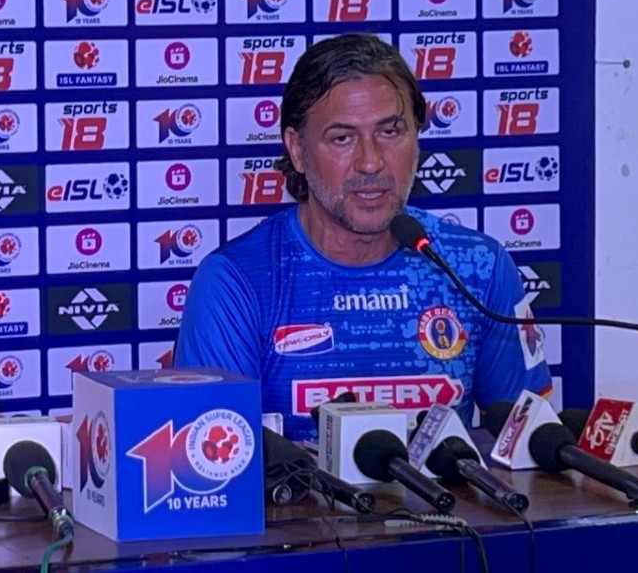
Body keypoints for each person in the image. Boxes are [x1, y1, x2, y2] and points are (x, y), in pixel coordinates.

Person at [174, 33, 552, 440]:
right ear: (297, 150)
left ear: (417, 138)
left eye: (390, 132)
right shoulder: (237, 281)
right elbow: (211, 457)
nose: (370, 163)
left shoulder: (479, 268)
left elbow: (528, 448)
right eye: (342, 138)